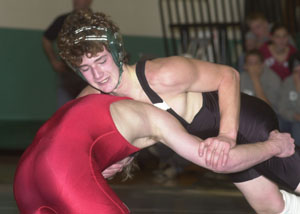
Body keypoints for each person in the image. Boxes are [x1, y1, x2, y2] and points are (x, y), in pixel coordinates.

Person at [57, 10, 300, 214]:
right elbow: (132, 137)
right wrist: (112, 162)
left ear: (117, 53)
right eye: (86, 68)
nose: (98, 75)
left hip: (245, 121)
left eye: (101, 61)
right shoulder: (91, 100)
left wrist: (227, 136)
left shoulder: (162, 74)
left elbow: (229, 75)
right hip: (210, 145)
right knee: (272, 207)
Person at [13, 94, 295, 213]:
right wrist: (275, 146)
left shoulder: (92, 93)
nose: (106, 172)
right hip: (57, 170)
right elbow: (221, 163)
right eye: (113, 169)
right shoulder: (154, 120)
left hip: (23, 177)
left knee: (270, 205)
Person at [42, 0, 92, 107]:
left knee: (87, 107)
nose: (77, 2)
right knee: (65, 109)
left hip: (90, 74)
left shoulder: (95, 21)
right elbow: (46, 39)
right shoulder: (64, 20)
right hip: (68, 73)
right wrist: (53, 61)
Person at [277, 52, 300, 147]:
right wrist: (294, 116)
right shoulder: (288, 82)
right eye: (296, 72)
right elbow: (282, 108)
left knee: (297, 126)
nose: (299, 75)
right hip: (291, 119)